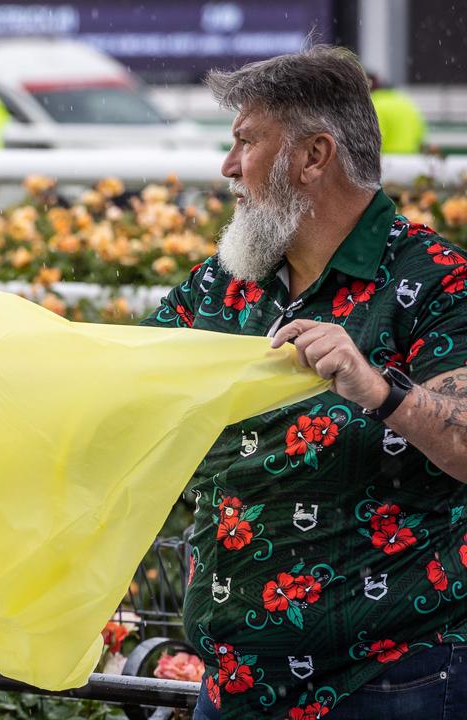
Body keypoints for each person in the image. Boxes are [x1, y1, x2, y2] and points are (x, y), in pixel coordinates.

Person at [142, 46, 467, 719]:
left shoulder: (435, 278)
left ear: (314, 156)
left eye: (245, 142)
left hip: (386, 682)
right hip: (231, 684)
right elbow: (120, 378)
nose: (228, 167)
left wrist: (381, 391)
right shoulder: (224, 282)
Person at [369, 72, 426, 154]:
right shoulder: (406, 102)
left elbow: (374, 138)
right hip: (412, 160)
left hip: (387, 161)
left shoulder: (375, 103)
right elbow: (421, 136)